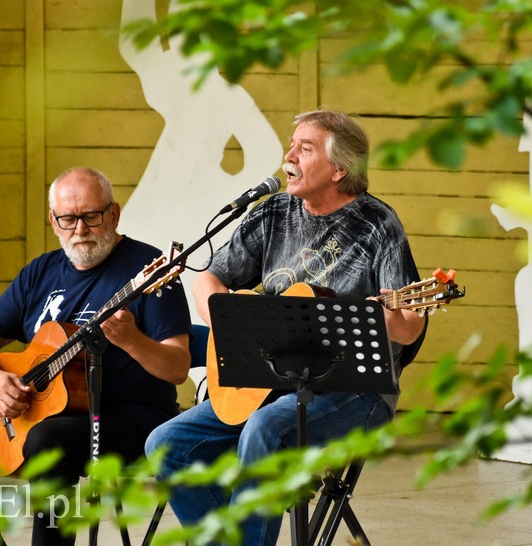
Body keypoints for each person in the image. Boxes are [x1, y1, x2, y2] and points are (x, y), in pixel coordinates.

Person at [145, 109, 427, 545]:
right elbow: (208, 278)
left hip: (356, 392)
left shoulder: (378, 226)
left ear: (339, 169)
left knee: (266, 431)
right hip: (272, 384)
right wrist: (226, 316)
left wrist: (380, 316)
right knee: (166, 443)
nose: (288, 155)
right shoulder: (276, 211)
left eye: (305, 147)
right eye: (291, 144)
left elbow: (409, 327)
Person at [0, 167, 192, 545]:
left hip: (130, 417)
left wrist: (131, 340)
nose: (80, 229)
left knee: (49, 440)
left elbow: (177, 368)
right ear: (53, 221)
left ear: (114, 214)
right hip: (44, 410)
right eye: (68, 218)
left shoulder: (148, 269)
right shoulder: (40, 272)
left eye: (92, 216)